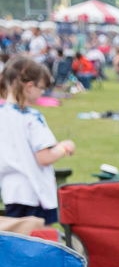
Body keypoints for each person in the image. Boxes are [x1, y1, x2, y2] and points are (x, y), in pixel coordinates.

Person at [1, 58, 73, 226]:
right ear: (30, 86)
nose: (43, 93)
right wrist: (64, 148)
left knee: (15, 242)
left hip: (11, 192)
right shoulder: (32, 118)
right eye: (42, 88)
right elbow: (44, 157)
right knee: (39, 241)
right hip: (35, 192)